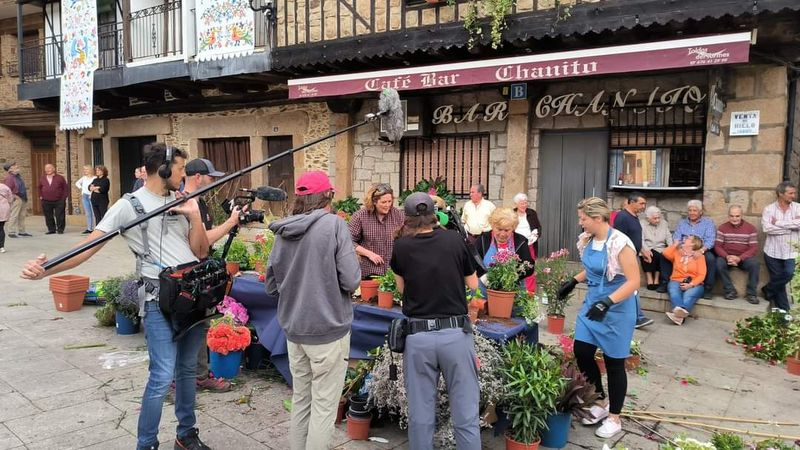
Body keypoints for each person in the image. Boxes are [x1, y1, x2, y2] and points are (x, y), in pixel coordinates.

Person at [21, 143, 214, 450]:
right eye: (180, 169)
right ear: (164, 169)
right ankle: (146, 443)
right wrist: (45, 270)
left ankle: (186, 433)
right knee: (162, 375)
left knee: (188, 370)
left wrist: (194, 216)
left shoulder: (182, 199)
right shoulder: (128, 206)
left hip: (192, 296)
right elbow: (89, 247)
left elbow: (201, 251)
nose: (184, 174)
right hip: (158, 300)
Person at [266, 170, 361, 450]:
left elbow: (271, 286)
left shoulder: (283, 231)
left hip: (295, 331)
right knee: (324, 408)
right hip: (328, 331)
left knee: (301, 400)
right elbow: (351, 280)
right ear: (328, 196)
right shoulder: (334, 225)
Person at [390, 192, 481, 450]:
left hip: (419, 336)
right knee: (465, 412)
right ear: (435, 215)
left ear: (407, 218)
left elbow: (401, 289)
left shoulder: (402, 246)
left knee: (420, 414)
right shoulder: (454, 240)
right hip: (455, 334)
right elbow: (473, 284)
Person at [556, 197, 639, 439]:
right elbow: (595, 268)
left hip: (617, 308)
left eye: (583, 219)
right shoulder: (589, 239)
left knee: (614, 363)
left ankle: (614, 417)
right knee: (582, 351)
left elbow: (634, 281)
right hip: (593, 305)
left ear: (598, 218)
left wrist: (608, 302)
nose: (580, 223)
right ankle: (599, 401)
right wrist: (573, 281)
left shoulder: (620, 243)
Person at [183, 158, 240, 392]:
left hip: (200, 271)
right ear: (198, 177)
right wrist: (230, 222)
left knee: (201, 325)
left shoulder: (201, 203)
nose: (213, 181)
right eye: (210, 177)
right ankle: (192, 377)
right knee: (193, 326)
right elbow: (202, 242)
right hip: (188, 274)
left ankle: (197, 374)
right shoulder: (185, 203)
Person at [611, 192, 653, 328]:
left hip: (633, 255)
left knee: (628, 286)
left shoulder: (634, 217)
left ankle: (631, 315)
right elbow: (617, 239)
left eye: (644, 204)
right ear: (632, 202)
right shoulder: (623, 217)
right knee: (631, 286)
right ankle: (638, 317)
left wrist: (643, 251)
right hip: (625, 258)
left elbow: (634, 238)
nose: (643, 206)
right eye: (641, 203)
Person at [474, 207, 535, 297]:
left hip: (514, 292)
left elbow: (529, 266)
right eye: (499, 229)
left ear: (513, 228)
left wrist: (512, 277)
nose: (502, 234)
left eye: (506, 230)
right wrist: (485, 277)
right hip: (484, 290)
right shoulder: (483, 239)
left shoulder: (520, 241)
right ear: (492, 226)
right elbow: (473, 262)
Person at [349, 182, 404, 278]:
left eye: (390, 201)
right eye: (383, 202)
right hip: (369, 272)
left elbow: (407, 239)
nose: (387, 205)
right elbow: (349, 242)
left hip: (393, 272)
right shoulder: (360, 216)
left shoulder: (398, 215)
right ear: (374, 201)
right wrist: (369, 254)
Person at [761, 181, 800, 312]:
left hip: (791, 252)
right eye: (790, 193)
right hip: (772, 251)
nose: (793, 196)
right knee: (780, 283)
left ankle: (768, 289)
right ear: (780, 194)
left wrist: (777, 222)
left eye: (794, 193)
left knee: (789, 273)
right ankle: (784, 313)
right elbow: (767, 228)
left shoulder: (798, 208)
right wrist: (790, 227)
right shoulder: (769, 209)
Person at [715, 205, 760, 304]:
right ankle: (730, 290)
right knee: (718, 263)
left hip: (743, 258)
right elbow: (717, 246)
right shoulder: (722, 228)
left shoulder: (751, 228)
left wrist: (740, 258)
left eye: (737, 216)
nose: (734, 218)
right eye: (732, 216)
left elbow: (753, 248)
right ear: (728, 216)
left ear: (741, 215)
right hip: (727, 257)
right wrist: (727, 256)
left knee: (755, 264)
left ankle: (751, 294)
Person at [672, 200, 716, 299]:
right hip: (684, 249)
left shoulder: (708, 223)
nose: (692, 213)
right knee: (665, 255)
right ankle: (665, 282)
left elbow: (710, 240)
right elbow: (676, 237)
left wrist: (700, 251)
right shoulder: (682, 223)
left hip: (701, 249)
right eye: (690, 210)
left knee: (710, 259)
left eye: (695, 210)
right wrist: (679, 248)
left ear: (700, 212)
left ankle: (708, 288)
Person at [662, 236, 707, 326]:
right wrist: (675, 244)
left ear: (693, 243)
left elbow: (702, 275)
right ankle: (680, 316)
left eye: (688, 238)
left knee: (688, 295)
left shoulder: (699, 256)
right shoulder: (677, 253)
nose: (685, 238)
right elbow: (665, 253)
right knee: (673, 290)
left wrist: (691, 284)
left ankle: (677, 316)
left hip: (695, 283)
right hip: (676, 280)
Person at [512, 192, 541, 293]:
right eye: (522, 203)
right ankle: (516, 290)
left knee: (529, 267)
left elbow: (538, 227)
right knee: (516, 266)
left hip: (529, 244)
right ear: (516, 204)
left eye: (525, 203)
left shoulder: (532, 213)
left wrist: (536, 234)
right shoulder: (512, 214)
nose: (524, 205)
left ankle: (530, 292)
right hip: (516, 245)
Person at [640, 206, 672, 291]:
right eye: (655, 218)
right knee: (648, 255)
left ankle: (656, 279)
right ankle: (649, 278)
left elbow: (668, 237)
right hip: (647, 247)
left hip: (660, 247)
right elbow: (641, 239)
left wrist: (671, 247)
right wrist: (646, 249)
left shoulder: (664, 223)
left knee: (661, 255)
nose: (657, 220)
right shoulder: (641, 224)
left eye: (659, 217)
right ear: (648, 218)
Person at [3, 162, 31, 238]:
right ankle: (11, 232)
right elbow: (7, 190)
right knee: (14, 215)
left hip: (22, 198)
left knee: (22, 216)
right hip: (17, 198)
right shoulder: (9, 178)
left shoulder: (17, 176)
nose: (17, 166)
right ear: (10, 169)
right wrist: (15, 197)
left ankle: (22, 231)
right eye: (14, 166)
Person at [38, 164, 68, 235]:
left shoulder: (60, 178)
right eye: (46, 168)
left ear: (53, 169)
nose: (47, 170)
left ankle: (60, 229)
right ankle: (51, 229)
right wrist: (41, 196)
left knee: (60, 216)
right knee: (48, 216)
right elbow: (39, 187)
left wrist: (63, 198)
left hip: (59, 200)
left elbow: (65, 188)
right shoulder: (42, 178)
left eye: (49, 168)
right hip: (46, 200)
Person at [75, 165, 96, 234]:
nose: (85, 171)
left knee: (94, 212)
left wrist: (92, 192)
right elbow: (77, 183)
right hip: (85, 196)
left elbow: (95, 186)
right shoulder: (84, 178)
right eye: (84, 169)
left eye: (86, 169)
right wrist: (82, 189)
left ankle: (96, 228)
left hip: (92, 196)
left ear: (90, 170)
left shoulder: (94, 178)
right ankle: (89, 228)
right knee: (88, 213)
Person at [0, 181, 12, 253]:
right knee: (1, 228)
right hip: (4, 209)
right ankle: (1, 247)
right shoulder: (5, 187)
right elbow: (10, 199)